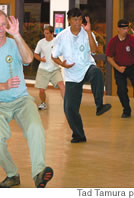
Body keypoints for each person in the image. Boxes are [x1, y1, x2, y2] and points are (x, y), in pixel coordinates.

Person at [0, 9, 53, 188]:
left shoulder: (14, 43)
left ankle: (39, 173)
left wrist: (17, 35)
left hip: (21, 100)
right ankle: (12, 174)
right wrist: (3, 86)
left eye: (4, 24)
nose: (2, 29)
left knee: (36, 130)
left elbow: (29, 58)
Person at [52, 8, 111, 143]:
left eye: (79, 19)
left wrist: (89, 31)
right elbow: (53, 56)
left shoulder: (87, 33)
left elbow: (95, 51)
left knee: (96, 72)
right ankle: (79, 135)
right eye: (75, 19)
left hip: (86, 68)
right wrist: (63, 64)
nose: (78, 22)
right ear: (69, 20)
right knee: (69, 109)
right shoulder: (62, 36)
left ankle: (99, 105)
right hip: (72, 74)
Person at [106, 19, 134, 118]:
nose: (126, 31)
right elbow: (109, 58)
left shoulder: (131, 38)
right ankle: (126, 110)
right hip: (119, 69)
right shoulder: (113, 41)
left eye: (127, 28)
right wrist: (118, 68)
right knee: (121, 90)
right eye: (123, 29)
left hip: (131, 67)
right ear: (118, 29)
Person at [34, 25, 65, 110]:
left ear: (52, 33)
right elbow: (35, 54)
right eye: (45, 33)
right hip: (43, 70)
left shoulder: (56, 42)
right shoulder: (41, 42)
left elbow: (63, 51)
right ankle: (43, 103)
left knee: (62, 85)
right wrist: (41, 59)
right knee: (41, 90)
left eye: (47, 33)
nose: (45, 35)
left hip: (55, 69)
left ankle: (67, 105)